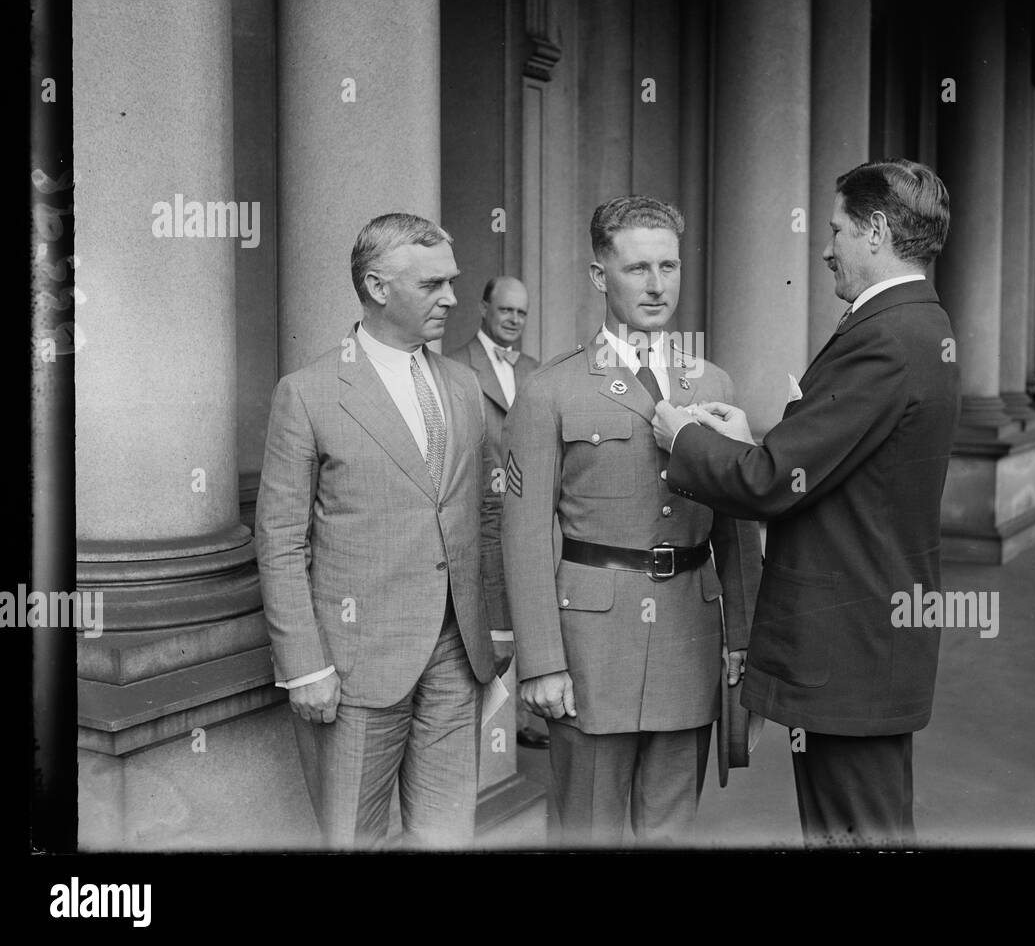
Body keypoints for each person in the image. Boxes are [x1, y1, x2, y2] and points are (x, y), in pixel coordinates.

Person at [652, 158, 961, 848]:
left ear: (876, 230)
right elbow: (838, 461)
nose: (825, 248)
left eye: (838, 229)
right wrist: (757, 438)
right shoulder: (916, 324)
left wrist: (688, 437)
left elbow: (768, 483)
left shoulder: (884, 336)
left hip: (848, 644)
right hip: (867, 642)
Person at [502, 195, 762, 846]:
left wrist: (743, 638)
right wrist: (540, 661)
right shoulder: (550, 391)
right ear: (599, 276)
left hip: (689, 632)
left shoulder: (712, 383)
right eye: (637, 268)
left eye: (669, 267)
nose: (656, 285)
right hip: (590, 645)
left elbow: (733, 526)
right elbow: (525, 534)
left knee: (670, 829)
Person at [256, 213, 511, 849]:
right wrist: (305, 665)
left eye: (452, 282)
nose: (452, 298)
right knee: (353, 838)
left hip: (458, 652)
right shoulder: (309, 393)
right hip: (353, 663)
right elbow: (281, 540)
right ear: (376, 287)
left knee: (447, 835)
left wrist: (497, 622)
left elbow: (483, 511)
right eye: (432, 285)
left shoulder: (463, 383)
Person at [447, 276, 548, 749]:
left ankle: (527, 715)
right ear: (484, 308)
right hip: (479, 515)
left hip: (529, 514)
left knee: (530, 606)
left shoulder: (535, 370)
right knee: (487, 612)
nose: (513, 319)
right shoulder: (454, 366)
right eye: (505, 310)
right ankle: (491, 721)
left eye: (521, 313)